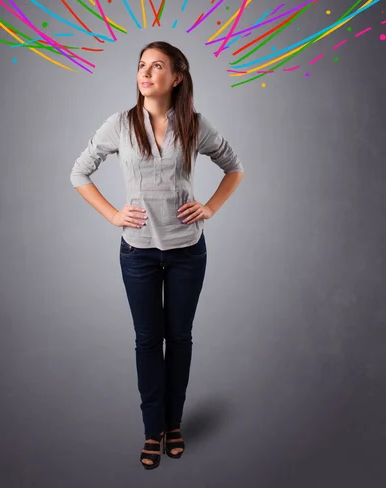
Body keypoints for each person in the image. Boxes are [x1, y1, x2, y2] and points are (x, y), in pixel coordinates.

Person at [70, 41, 244, 469]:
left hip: (187, 252)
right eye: (141, 66)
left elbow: (234, 167)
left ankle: (174, 425)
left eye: (157, 66)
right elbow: (79, 171)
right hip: (139, 254)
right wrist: (113, 213)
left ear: (177, 77)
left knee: (179, 339)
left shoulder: (196, 126)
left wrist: (210, 207)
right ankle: (152, 430)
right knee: (147, 340)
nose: (146, 73)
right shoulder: (120, 124)